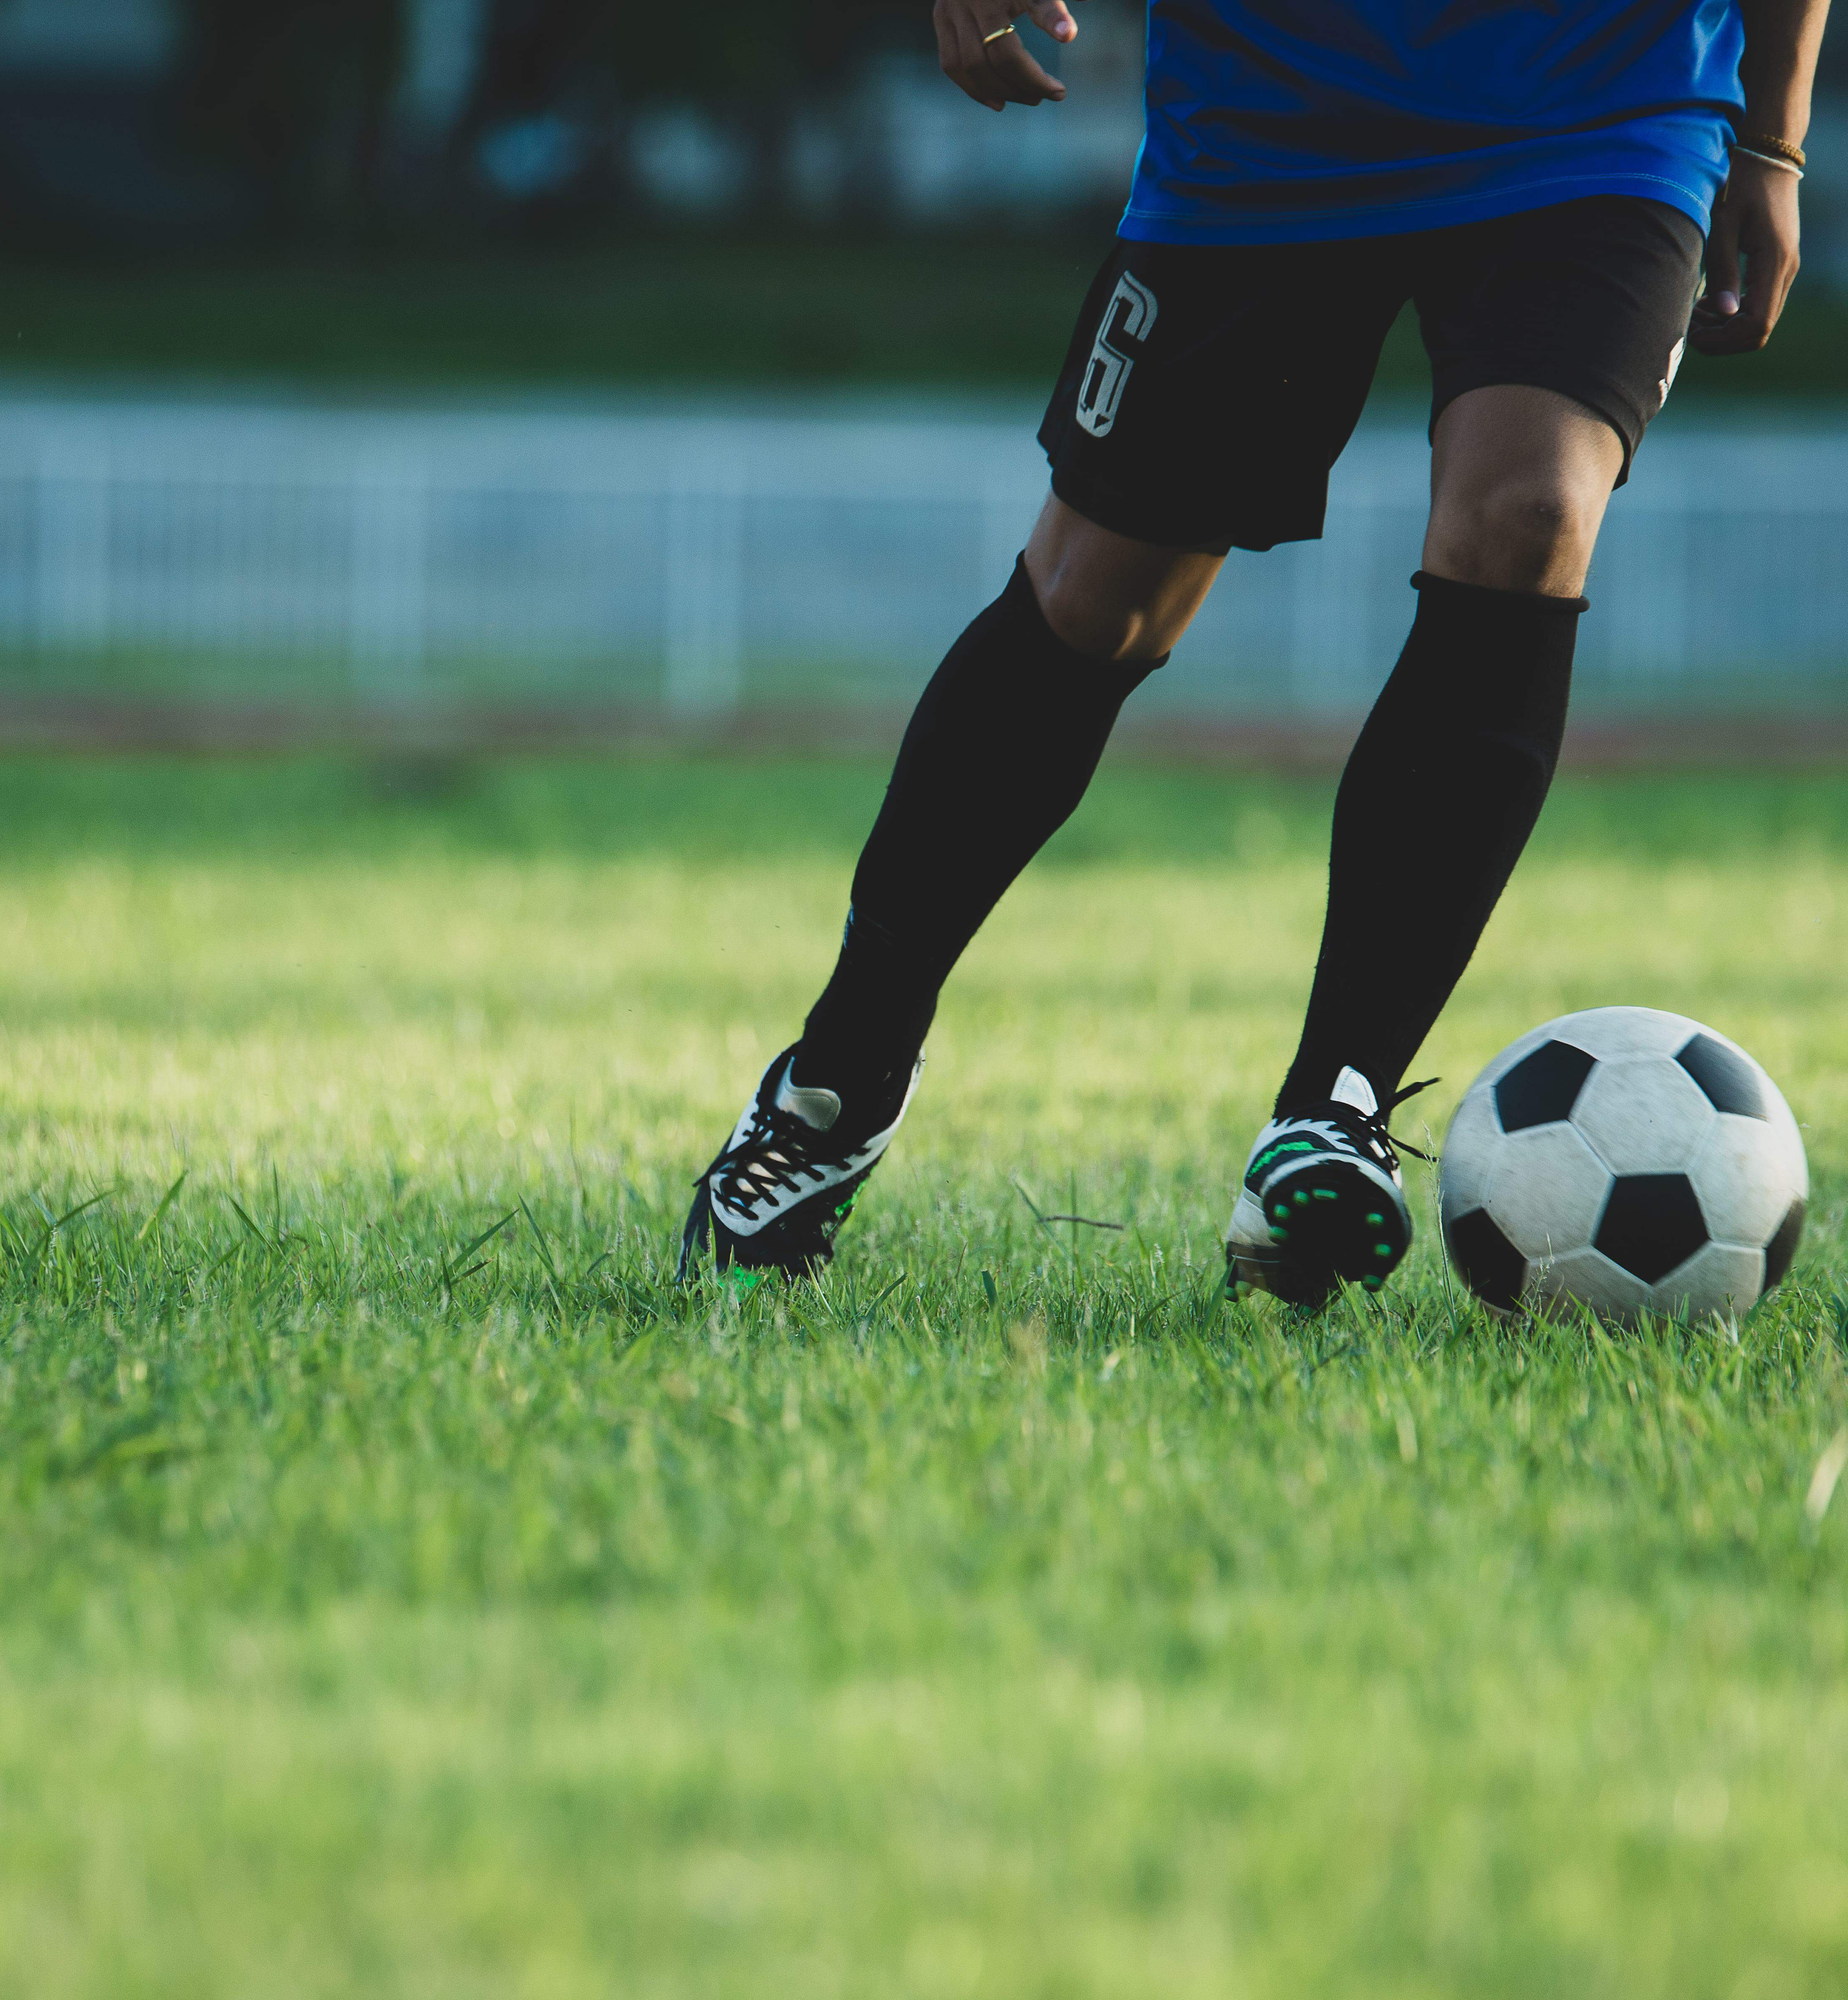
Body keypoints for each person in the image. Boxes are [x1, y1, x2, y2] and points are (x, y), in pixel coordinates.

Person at [678, 0, 1831, 1305]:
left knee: (1533, 513)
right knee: (1096, 594)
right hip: (1276, 96)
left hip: (1603, 94)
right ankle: (841, 1078)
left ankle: (1331, 1105)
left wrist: (1774, 143)